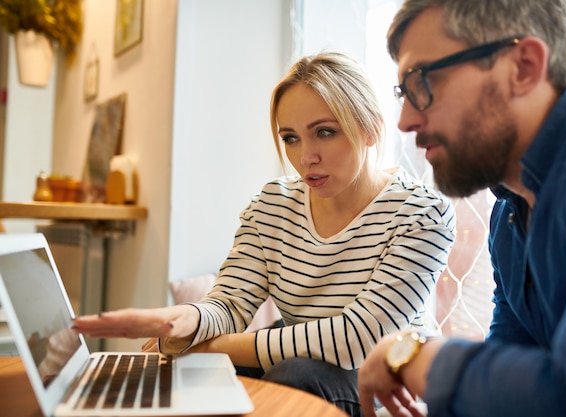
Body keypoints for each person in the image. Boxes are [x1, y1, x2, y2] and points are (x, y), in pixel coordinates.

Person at [72, 52, 456, 417]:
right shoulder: (273, 204)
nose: (306, 157)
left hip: (387, 384)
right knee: (195, 377)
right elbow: (229, 303)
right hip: (295, 362)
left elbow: (357, 339)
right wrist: (180, 322)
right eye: (291, 138)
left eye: (324, 132)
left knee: (290, 375)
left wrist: (212, 347)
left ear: (371, 127)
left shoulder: (423, 214)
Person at [357, 0, 566, 416]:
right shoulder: (509, 215)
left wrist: (410, 354)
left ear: (524, 66)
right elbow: (510, 390)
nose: (405, 120)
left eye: (423, 81)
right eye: (403, 93)